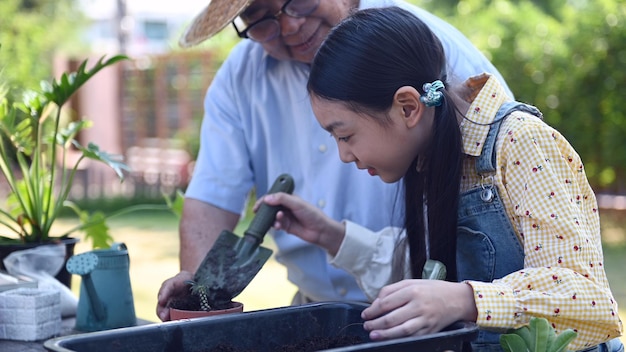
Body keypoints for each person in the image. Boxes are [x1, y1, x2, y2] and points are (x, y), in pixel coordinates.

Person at [254, 6, 624, 351]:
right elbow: (433, 273)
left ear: (408, 107)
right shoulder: (430, 155)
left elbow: (588, 300)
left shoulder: (520, 142)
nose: (344, 155)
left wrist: (464, 299)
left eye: (345, 135)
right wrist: (329, 235)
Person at [156, 0, 515, 322]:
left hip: (439, 311)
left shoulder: (424, 46)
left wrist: (469, 300)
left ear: (410, 107)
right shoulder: (240, 77)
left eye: (294, 2)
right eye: (262, 18)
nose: (290, 26)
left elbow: (499, 215)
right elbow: (212, 197)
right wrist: (198, 287)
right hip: (317, 309)